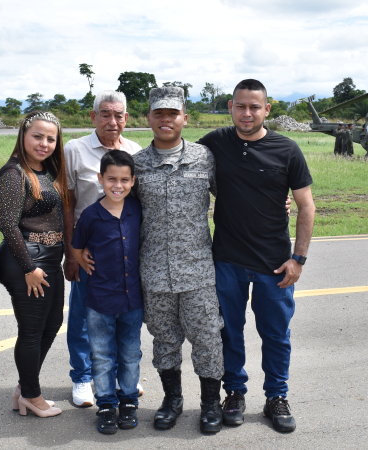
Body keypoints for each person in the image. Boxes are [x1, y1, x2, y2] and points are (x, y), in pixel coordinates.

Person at [197, 79, 316, 433]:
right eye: (240, 106)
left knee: (276, 335)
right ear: (230, 107)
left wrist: (299, 259)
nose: (247, 113)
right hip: (228, 261)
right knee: (229, 333)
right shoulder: (214, 143)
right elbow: (180, 159)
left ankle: (276, 397)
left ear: (267, 110)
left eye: (254, 107)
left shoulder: (287, 149)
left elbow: (306, 206)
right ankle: (234, 392)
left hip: (274, 264)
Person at [133, 86, 225, 434]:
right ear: (149, 119)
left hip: (199, 270)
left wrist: (281, 205)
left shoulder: (204, 157)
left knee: (207, 339)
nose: (166, 119)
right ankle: (172, 400)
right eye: (160, 113)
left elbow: (232, 197)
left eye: (173, 113)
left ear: (185, 118)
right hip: (154, 271)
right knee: (164, 340)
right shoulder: (137, 164)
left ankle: (211, 404)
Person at [63, 91, 143, 407]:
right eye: (106, 115)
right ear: (93, 117)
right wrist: (72, 252)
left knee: (126, 324)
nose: (113, 121)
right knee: (84, 319)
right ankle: (83, 378)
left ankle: (124, 382)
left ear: (126, 118)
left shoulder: (135, 151)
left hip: (123, 253)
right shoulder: (75, 150)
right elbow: (68, 202)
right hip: (89, 252)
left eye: (119, 115)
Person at [0, 111, 69, 418]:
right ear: (23, 135)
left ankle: (25, 387)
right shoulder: (13, 173)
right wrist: (28, 268)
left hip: (48, 258)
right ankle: (31, 395)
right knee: (32, 330)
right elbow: (8, 225)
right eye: (37, 136)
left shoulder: (46, 170)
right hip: (26, 260)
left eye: (51, 138)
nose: (44, 143)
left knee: (51, 325)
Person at [71, 150, 143, 434]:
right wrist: (80, 259)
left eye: (125, 179)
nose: (118, 185)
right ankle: (105, 403)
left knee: (130, 353)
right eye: (111, 178)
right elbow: (77, 246)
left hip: (131, 299)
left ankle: (127, 400)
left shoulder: (136, 209)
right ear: (100, 179)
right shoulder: (91, 215)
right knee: (101, 354)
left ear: (133, 180)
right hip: (99, 299)